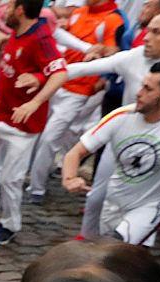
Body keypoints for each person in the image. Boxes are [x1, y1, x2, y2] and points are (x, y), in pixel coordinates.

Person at [62, 10, 160, 233]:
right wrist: (42, 76)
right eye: (147, 30)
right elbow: (79, 69)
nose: (146, 37)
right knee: (99, 197)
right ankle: (88, 239)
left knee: (145, 204)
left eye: (156, 32)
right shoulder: (131, 61)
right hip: (124, 137)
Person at [0, 0, 69, 245]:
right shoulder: (17, 33)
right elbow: (14, 62)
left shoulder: (41, 38)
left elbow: (60, 73)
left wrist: (34, 102)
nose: (4, 11)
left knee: (11, 179)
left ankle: (10, 224)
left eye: (9, 7)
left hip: (24, 125)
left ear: (20, 10)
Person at [25, 0, 126, 203]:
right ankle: (36, 174)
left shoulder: (113, 19)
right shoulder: (80, 12)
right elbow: (63, 37)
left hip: (79, 90)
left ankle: (36, 189)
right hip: (58, 82)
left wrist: (100, 77)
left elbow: (112, 53)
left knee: (50, 137)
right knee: (42, 133)